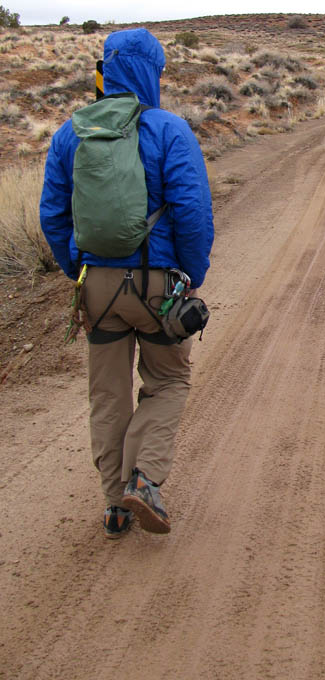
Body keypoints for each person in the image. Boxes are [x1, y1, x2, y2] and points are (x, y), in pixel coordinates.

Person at [40, 28, 214, 537]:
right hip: (158, 286)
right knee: (168, 381)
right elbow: (193, 211)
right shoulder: (168, 129)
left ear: (108, 68)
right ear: (151, 72)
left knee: (109, 395)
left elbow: (54, 215)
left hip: (97, 285)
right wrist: (191, 276)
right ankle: (145, 479)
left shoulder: (70, 133)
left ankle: (115, 502)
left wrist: (77, 270)